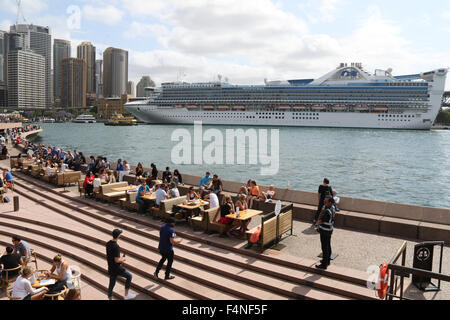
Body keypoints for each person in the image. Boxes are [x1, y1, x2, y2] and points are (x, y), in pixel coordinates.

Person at [106, 229, 136, 300]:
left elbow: (111, 256)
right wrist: (123, 259)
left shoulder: (108, 243)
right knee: (129, 276)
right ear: (118, 236)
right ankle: (126, 295)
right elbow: (117, 260)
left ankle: (110, 298)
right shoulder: (116, 246)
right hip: (117, 268)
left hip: (110, 267)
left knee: (111, 284)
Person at [315, 196, 337, 270]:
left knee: (324, 247)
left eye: (325, 202)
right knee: (328, 245)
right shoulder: (333, 207)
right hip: (330, 229)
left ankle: (324, 264)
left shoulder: (328, 210)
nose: (324, 203)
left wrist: (318, 223)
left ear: (330, 202)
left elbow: (321, 221)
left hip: (325, 230)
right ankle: (327, 260)